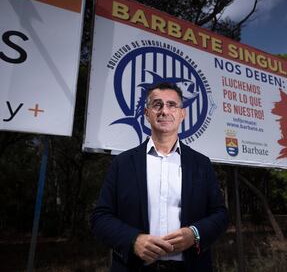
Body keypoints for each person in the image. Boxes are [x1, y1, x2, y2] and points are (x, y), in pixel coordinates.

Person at [91, 82, 229, 272]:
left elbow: (220, 214)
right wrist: (133, 240)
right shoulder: (122, 163)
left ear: (182, 114)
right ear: (147, 113)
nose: (164, 111)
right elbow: (100, 217)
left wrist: (194, 234)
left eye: (172, 105)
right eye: (157, 105)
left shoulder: (201, 164)